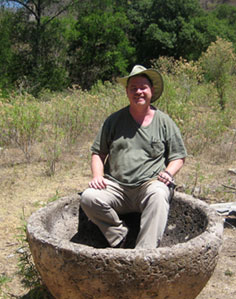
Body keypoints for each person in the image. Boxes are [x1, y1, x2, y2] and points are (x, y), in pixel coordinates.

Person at [80, 65, 187, 249]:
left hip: (149, 185)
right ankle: (118, 235)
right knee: (89, 198)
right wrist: (97, 176)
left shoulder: (164, 122)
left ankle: (143, 254)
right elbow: (98, 152)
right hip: (116, 187)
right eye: (133, 88)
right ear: (127, 92)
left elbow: (178, 156)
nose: (138, 92)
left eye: (143, 87)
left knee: (159, 194)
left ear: (151, 91)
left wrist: (168, 173)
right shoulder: (114, 120)